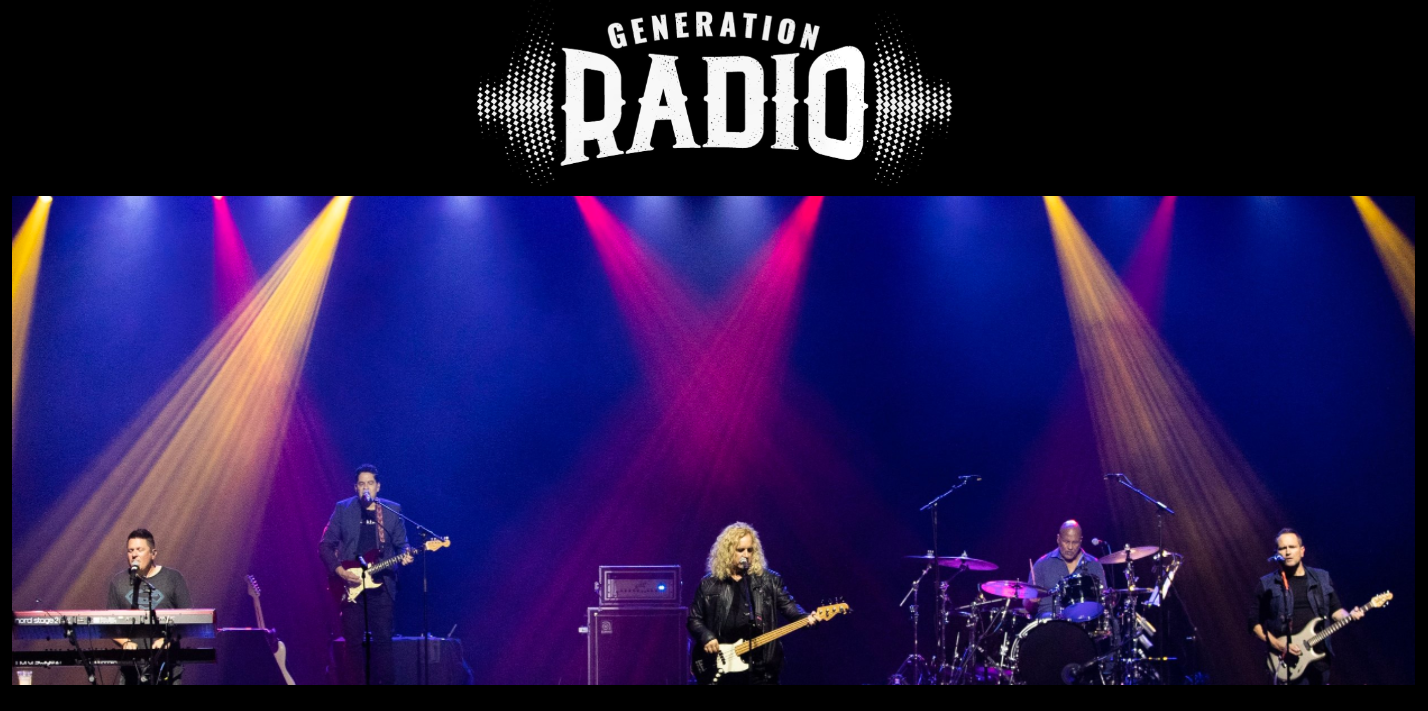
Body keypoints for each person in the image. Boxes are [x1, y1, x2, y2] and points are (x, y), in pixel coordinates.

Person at [687, 522, 816, 685]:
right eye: (740, 550)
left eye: (750, 550)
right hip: (721, 664)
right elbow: (694, 619)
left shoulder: (769, 580)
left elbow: (789, 606)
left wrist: (806, 617)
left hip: (761, 668)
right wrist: (707, 637)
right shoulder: (709, 584)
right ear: (727, 551)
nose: (746, 555)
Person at [318, 464, 412, 685]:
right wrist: (340, 571)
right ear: (355, 488)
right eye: (361, 484)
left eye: (370, 483)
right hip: (351, 586)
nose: (366, 488)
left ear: (378, 487)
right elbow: (325, 545)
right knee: (353, 644)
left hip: (382, 587)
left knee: (383, 643)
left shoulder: (392, 511)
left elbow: (403, 544)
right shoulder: (343, 509)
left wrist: (406, 554)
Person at [1249, 528, 1363, 685]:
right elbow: (1254, 623)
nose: (1287, 552)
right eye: (1283, 548)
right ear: (1277, 553)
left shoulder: (1322, 578)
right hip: (1286, 664)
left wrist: (1350, 616)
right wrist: (1280, 645)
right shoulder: (1266, 584)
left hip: (1319, 663)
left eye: (1292, 547)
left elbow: (1336, 611)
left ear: (1302, 551)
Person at [106, 528, 193, 684]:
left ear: (153, 553)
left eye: (139, 550)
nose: (134, 555)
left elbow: (188, 619)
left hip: (167, 667)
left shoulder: (173, 578)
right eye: (130, 550)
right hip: (131, 669)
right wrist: (124, 642)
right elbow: (110, 625)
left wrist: (168, 639)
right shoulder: (118, 582)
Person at [1028, 519, 1107, 619]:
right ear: (1058, 539)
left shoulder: (1094, 564)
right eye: (1066, 541)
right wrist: (1031, 601)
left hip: (1085, 619)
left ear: (1080, 541)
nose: (1070, 547)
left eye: (1075, 542)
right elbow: (1028, 607)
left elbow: (1104, 599)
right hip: (1050, 621)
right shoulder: (1042, 564)